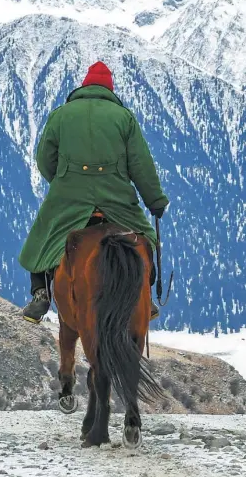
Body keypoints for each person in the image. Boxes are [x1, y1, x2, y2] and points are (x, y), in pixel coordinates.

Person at [20, 61, 169, 323]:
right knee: (145, 239)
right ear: (109, 89)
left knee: (43, 239)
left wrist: (63, 182)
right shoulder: (124, 118)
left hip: (70, 198)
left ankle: (41, 295)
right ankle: (144, 294)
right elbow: (141, 165)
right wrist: (155, 202)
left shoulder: (60, 115)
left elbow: (44, 159)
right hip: (117, 201)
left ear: (84, 86)